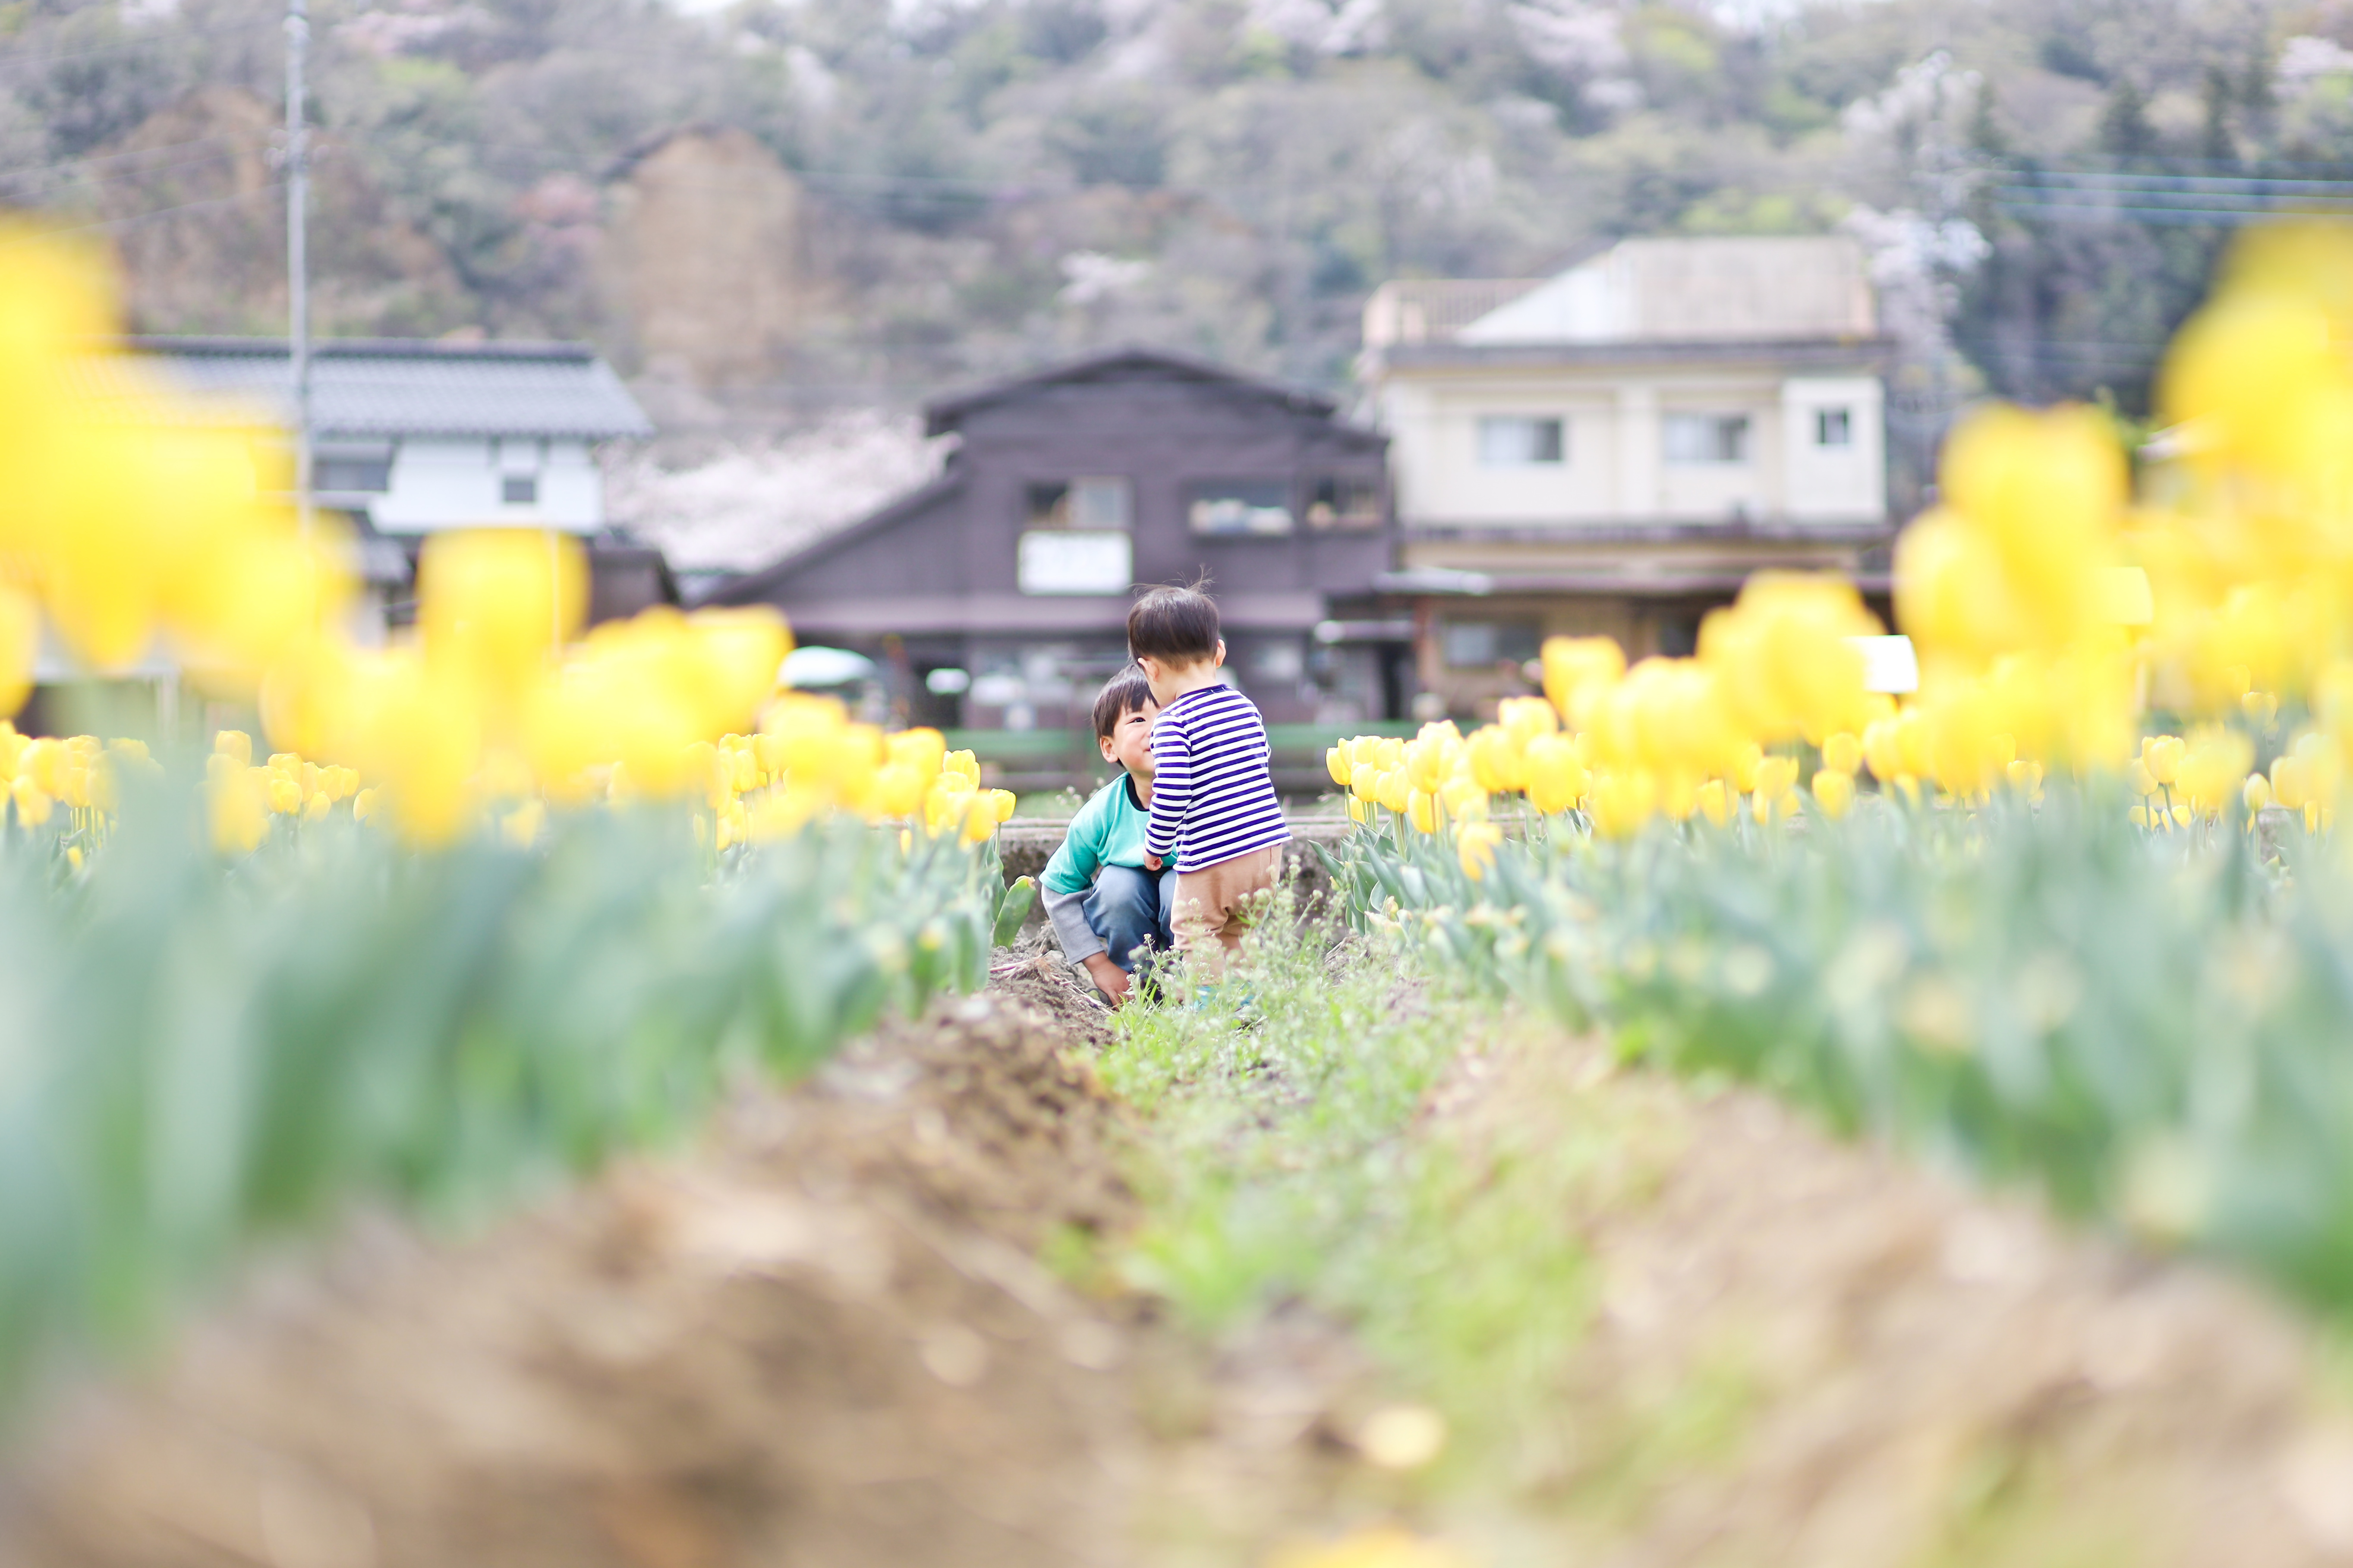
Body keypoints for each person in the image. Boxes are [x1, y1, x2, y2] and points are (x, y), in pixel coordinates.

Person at [1130, 583, 1290, 986]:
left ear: (1150, 669)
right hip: (1266, 850)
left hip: (1214, 857)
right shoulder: (1245, 706)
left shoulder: (1172, 722)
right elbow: (1260, 761)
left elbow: (1173, 792)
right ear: (1218, 653)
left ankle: (1211, 1017)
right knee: (1239, 934)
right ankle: (1247, 1011)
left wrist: (1156, 845)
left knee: (1197, 934)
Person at [1041, 665, 1174, 1006]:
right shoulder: (1103, 812)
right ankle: (1142, 993)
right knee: (1117, 886)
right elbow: (1058, 886)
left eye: (1170, 713)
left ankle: (1195, 990)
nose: (1157, 727)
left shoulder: (1211, 800)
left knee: (1181, 886)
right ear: (1109, 747)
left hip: (1202, 948)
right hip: (1129, 941)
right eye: (1138, 720)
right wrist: (1098, 965)